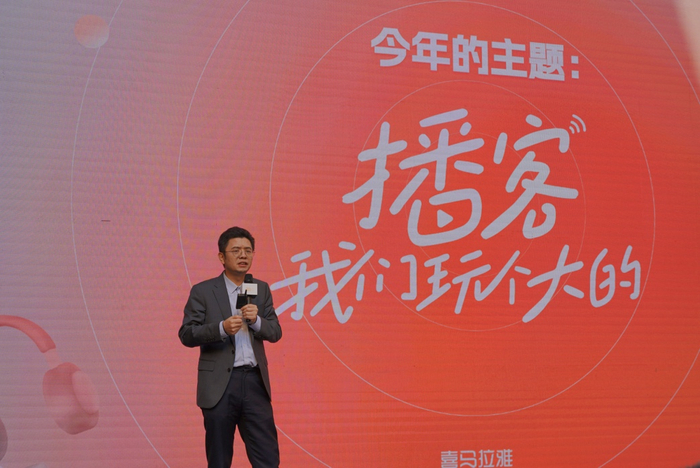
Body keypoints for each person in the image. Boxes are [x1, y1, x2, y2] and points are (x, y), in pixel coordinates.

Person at [178, 226, 282, 468]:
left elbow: (275, 331)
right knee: (219, 459)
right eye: (236, 250)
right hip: (219, 386)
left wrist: (256, 321)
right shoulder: (203, 291)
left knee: (268, 458)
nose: (243, 255)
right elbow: (186, 333)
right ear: (222, 257)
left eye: (248, 250)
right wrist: (221, 328)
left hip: (254, 383)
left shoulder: (260, 288)